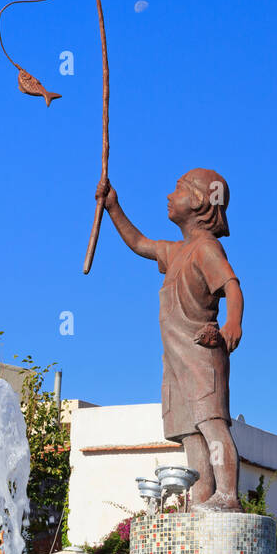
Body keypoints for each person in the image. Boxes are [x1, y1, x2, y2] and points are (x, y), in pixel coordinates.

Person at [97, 170, 244, 512]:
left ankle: (228, 496)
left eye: (176, 189)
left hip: (201, 351)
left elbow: (232, 287)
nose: (168, 196)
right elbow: (139, 243)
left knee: (212, 424)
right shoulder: (177, 251)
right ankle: (202, 497)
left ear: (197, 201)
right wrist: (113, 207)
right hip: (176, 360)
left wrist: (233, 323)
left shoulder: (206, 249)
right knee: (191, 434)